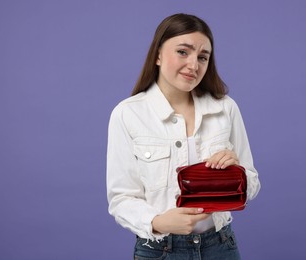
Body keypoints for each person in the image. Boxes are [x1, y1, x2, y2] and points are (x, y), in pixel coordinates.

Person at [107, 13, 260, 259]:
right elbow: (121, 198)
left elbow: (251, 183)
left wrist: (236, 173)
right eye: (182, 52)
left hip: (220, 246)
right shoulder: (127, 114)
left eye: (202, 57)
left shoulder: (225, 108)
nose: (193, 65)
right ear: (157, 54)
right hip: (159, 250)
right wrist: (158, 222)